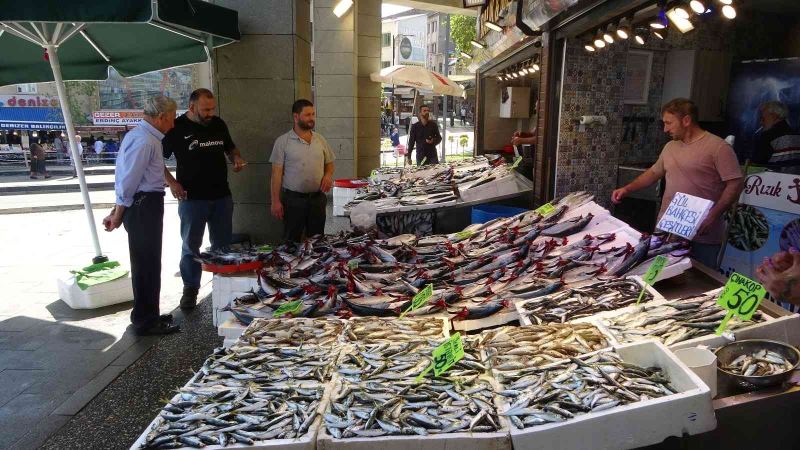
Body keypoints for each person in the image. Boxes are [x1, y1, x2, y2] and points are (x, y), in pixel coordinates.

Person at [611, 98, 744, 269]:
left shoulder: (719, 148)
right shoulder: (670, 147)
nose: (665, 129)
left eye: (669, 123)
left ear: (686, 120)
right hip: (668, 229)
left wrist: (713, 215)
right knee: (658, 275)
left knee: (698, 279)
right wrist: (627, 189)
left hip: (702, 232)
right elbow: (654, 173)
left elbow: (735, 184)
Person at [102, 95, 179, 336]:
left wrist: (117, 210)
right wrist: (117, 213)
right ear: (161, 117)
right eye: (172, 119)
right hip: (144, 205)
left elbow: (132, 176)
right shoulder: (144, 140)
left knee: (149, 261)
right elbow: (128, 181)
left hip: (146, 203)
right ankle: (145, 320)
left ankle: (149, 313)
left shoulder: (147, 137)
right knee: (146, 263)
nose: (174, 124)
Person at [162, 88, 247, 309]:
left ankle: (223, 286)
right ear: (192, 107)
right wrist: (172, 182)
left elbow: (230, 147)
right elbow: (155, 159)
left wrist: (236, 157)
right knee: (191, 246)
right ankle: (190, 289)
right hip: (192, 199)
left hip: (221, 196)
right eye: (205, 109)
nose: (210, 113)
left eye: (212, 108)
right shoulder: (177, 127)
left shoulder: (218, 124)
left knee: (222, 245)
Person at [269, 99, 335, 243]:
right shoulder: (283, 142)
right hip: (293, 201)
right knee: (291, 241)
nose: (311, 118)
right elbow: (276, 174)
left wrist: (328, 176)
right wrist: (275, 201)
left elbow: (329, 163)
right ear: (296, 117)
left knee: (317, 242)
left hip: (317, 199)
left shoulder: (320, 139)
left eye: (313, 114)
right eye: (307, 115)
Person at [752, 101, 800, 173]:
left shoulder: (768, 135)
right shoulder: (796, 134)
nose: (761, 122)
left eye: (763, 118)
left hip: (773, 181)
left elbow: (757, 164)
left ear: (774, 116)